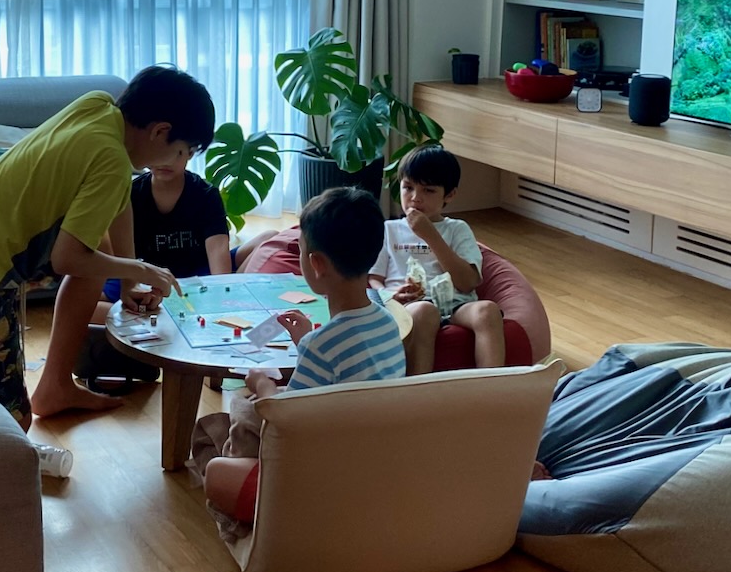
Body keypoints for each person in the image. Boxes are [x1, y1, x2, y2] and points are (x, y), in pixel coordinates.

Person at [0, 66, 215, 433]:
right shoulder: (111, 160)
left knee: (98, 246)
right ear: (160, 132)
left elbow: (117, 203)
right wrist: (139, 270)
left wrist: (128, 280)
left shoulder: (99, 107)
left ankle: (55, 385)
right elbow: (67, 258)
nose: (174, 161)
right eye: (181, 151)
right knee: (8, 424)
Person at [191, 186, 406, 541]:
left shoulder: (321, 346)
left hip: (321, 476)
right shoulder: (386, 321)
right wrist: (306, 341)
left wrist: (263, 386)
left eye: (301, 251)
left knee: (232, 427)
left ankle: (248, 512)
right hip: (372, 459)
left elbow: (288, 423)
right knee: (234, 421)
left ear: (316, 265)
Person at [369, 144, 505, 375]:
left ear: (449, 195)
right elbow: (374, 278)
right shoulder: (388, 229)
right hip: (410, 305)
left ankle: (490, 386)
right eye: (408, 187)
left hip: (456, 304)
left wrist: (430, 235)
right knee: (426, 311)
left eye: (428, 190)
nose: (415, 198)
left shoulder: (457, 229)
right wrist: (390, 297)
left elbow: (468, 282)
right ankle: (418, 389)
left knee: (488, 311)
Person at [92, 155, 277, 322]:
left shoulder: (205, 193)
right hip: (147, 278)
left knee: (270, 238)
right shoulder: (132, 194)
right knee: (86, 303)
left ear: (191, 151)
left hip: (199, 277)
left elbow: (218, 251)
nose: (165, 159)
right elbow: (119, 252)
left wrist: (221, 291)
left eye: (176, 152)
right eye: (159, 151)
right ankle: (150, 315)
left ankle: (155, 315)